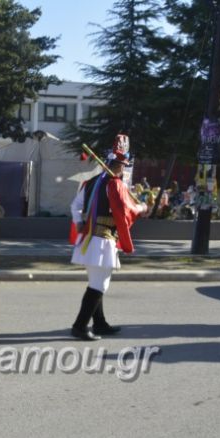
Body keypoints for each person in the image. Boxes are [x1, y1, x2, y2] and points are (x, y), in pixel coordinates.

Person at [69, 134, 148, 341]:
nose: (124, 169)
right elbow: (126, 210)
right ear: (120, 166)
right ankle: (79, 326)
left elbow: (75, 205)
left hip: (89, 239)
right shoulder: (114, 184)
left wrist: (78, 220)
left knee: (97, 281)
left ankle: (100, 323)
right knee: (98, 285)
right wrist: (142, 207)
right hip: (102, 240)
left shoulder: (91, 183)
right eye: (124, 165)